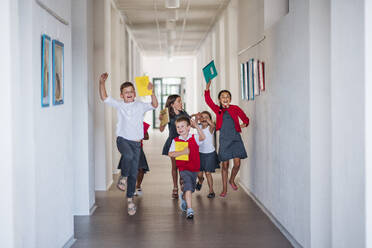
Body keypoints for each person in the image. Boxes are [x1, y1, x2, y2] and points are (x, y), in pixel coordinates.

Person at [99, 72, 158, 215]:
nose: (129, 94)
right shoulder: (119, 105)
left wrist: (152, 92)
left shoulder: (140, 105)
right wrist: (101, 83)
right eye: (126, 92)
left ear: (135, 93)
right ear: (121, 95)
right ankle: (123, 177)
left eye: (131, 91)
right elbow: (104, 98)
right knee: (128, 156)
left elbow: (155, 105)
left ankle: (130, 200)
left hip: (137, 143)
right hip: (122, 140)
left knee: (134, 173)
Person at [204, 80, 249, 197]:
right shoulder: (217, 110)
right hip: (224, 139)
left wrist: (243, 125)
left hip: (235, 139)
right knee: (225, 165)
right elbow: (208, 100)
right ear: (219, 100)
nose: (225, 98)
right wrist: (207, 87)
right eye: (223, 97)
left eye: (227, 96)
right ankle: (224, 189)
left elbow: (246, 119)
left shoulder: (235, 108)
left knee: (237, 164)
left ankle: (231, 180)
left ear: (230, 99)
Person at [168, 116, 205, 219]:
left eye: (182, 126)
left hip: (195, 168)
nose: (180, 129)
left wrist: (196, 126)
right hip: (183, 169)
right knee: (188, 186)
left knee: (190, 188)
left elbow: (203, 137)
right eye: (178, 127)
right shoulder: (175, 140)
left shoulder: (194, 137)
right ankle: (190, 209)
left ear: (189, 127)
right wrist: (182, 152)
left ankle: (183, 197)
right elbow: (170, 153)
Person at [159, 95, 190, 199]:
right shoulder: (166, 114)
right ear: (172, 104)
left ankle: (183, 185)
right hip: (172, 142)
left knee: (182, 166)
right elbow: (161, 129)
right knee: (175, 166)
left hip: (183, 143)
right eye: (179, 101)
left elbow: (191, 124)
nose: (181, 103)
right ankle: (175, 187)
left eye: (181, 101)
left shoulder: (183, 113)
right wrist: (161, 121)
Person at [117, 122, 151, 197]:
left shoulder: (142, 124)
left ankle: (138, 186)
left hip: (138, 148)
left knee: (141, 168)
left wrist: (139, 133)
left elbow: (147, 137)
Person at [194, 111, 220, 198]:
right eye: (202, 117)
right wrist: (197, 117)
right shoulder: (199, 127)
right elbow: (192, 124)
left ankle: (211, 190)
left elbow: (213, 125)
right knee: (199, 175)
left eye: (206, 117)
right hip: (200, 153)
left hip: (210, 154)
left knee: (208, 173)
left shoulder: (210, 128)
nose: (204, 118)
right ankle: (200, 181)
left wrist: (208, 120)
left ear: (210, 119)